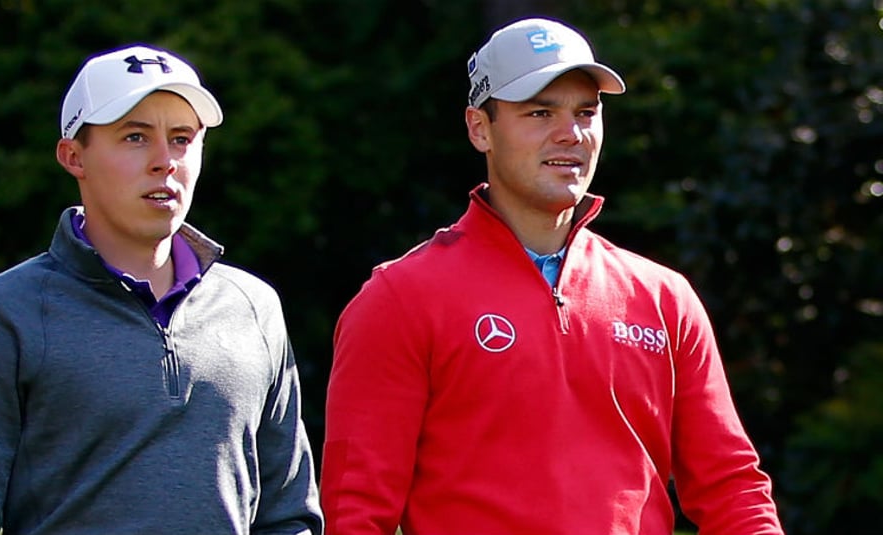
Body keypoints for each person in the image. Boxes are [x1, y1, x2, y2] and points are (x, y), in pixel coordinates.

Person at [319, 17, 783, 535]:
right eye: (540, 112)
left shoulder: (663, 297)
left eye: (586, 112)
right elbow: (355, 509)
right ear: (479, 128)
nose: (571, 133)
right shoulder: (400, 297)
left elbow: (732, 490)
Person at [0, 44, 323, 535]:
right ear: (74, 156)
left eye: (181, 139)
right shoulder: (3, 312)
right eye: (135, 137)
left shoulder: (254, 307)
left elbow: (287, 514)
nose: (164, 161)